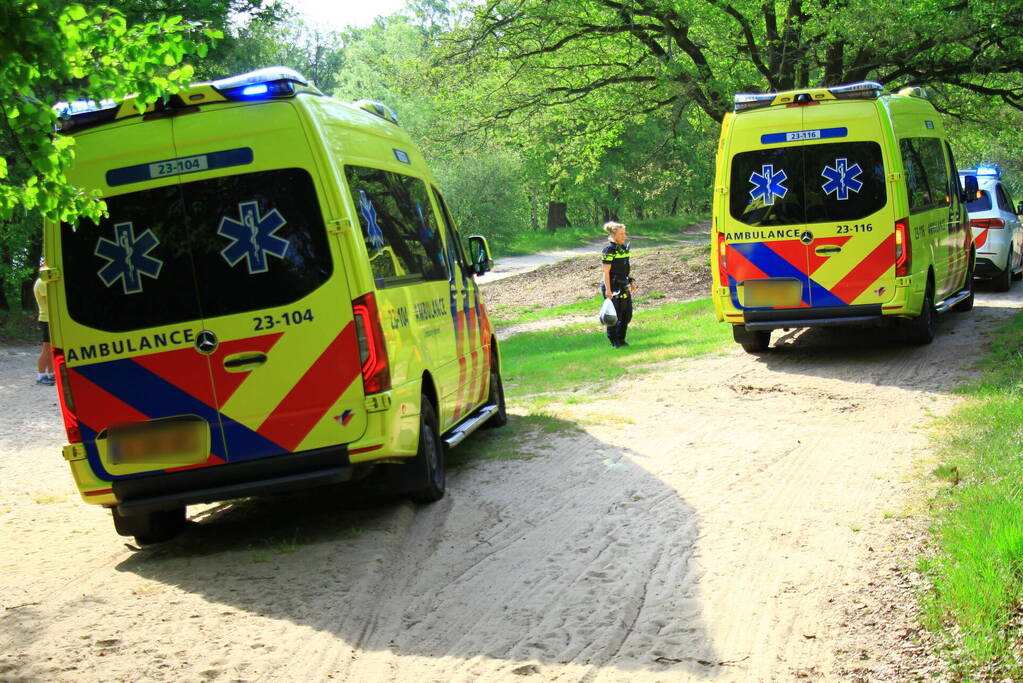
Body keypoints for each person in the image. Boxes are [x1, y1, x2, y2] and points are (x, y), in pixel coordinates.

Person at [600, 221, 635, 347]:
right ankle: (614, 341)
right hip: (612, 286)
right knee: (615, 315)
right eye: (621, 234)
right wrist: (608, 290)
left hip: (623, 284)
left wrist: (631, 280)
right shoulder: (609, 250)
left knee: (627, 314)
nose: (624, 236)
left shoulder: (624, 249)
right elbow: (606, 272)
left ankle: (622, 339)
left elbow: (626, 268)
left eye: (624, 233)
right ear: (614, 235)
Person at [34, 260, 54, 386]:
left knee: (52, 349)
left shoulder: (46, 282)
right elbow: (52, 299)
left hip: (50, 319)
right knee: (46, 349)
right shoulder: (42, 282)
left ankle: (51, 374)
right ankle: (41, 376)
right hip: (46, 319)